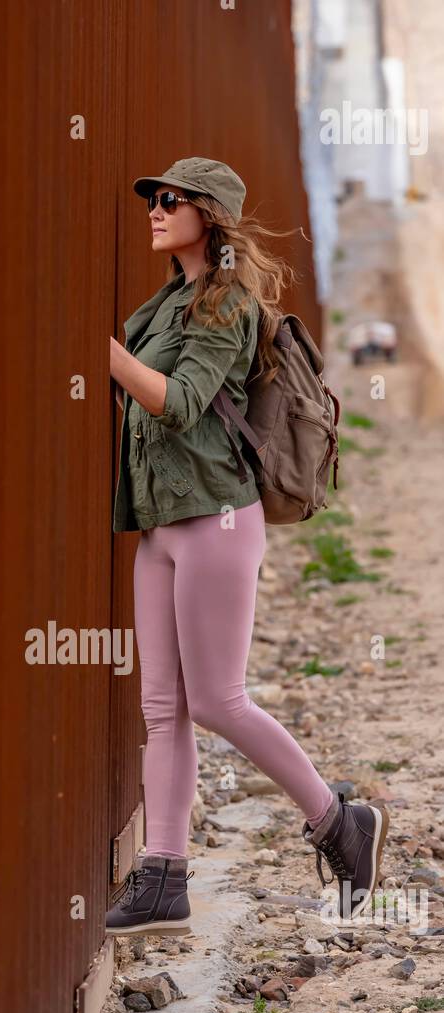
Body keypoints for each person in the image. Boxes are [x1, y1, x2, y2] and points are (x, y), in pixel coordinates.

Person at [106, 157, 389, 937]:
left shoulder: (226, 303)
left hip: (218, 524)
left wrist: (105, 357)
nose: (156, 211)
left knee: (218, 699)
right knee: (162, 708)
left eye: (172, 202)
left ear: (212, 217)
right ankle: (164, 876)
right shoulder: (166, 301)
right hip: (162, 524)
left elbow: (180, 402)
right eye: (154, 200)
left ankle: (338, 820)